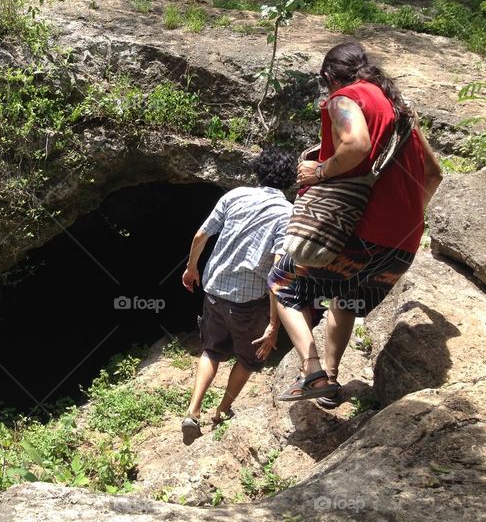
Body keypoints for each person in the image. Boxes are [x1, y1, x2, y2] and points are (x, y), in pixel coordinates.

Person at [268, 41, 443, 405]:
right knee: (346, 298)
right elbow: (433, 174)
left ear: (330, 77)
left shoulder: (343, 98)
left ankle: (313, 373)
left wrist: (319, 171)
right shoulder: (402, 110)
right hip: (401, 248)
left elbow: (358, 144)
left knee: (281, 282)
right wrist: (405, 225)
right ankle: (330, 384)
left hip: (359, 234)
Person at [179, 147, 297, 445]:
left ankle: (193, 412)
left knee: (211, 351)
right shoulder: (286, 213)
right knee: (249, 358)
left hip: (214, 289)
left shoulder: (235, 196)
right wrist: (274, 324)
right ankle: (221, 410)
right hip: (248, 302)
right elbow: (277, 272)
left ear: (258, 171)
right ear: (290, 180)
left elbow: (200, 236)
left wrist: (191, 269)